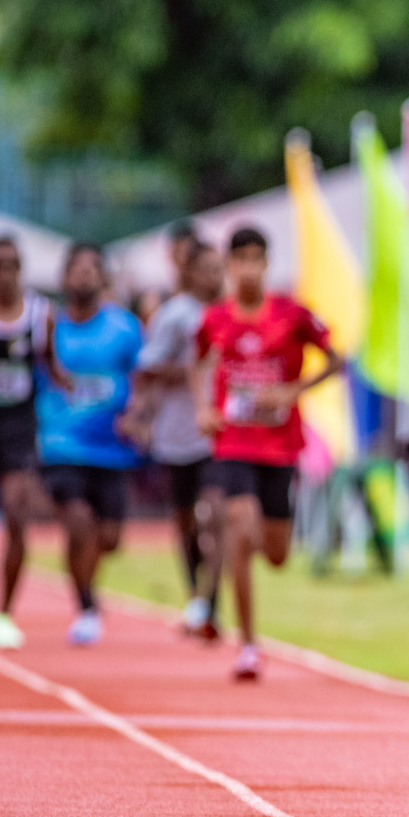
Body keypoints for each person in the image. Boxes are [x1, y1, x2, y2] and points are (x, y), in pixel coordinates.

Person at [194, 228, 343, 680]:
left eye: (256, 259)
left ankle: (261, 541)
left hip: (279, 446)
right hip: (234, 442)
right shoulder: (216, 319)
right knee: (240, 530)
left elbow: (336, 360)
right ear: (228, 266)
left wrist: (292, 391)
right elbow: (196, 363)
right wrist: (203, 408)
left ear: (266, 264)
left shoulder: (291, 314)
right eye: (240, 259)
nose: (248, 268)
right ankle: (249, 646)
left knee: (275, 554)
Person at [37, 243, 144, 646]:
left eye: (91, 269)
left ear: (103, 278)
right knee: (79, 524)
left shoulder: (125, 329)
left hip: (113, 447)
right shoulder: (49, 328)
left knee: (109, 539)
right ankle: (86, 606)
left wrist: (139, 413)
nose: (83, 276)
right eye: (76, 270)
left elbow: (144, 379)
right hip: (60, 443)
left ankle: (86, 582)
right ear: (63, 278)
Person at [128, 241, 226, 640]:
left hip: (219, 433)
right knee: (186, 519)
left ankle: (212, 605)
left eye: (220, 269)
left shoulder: (232, 311)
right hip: (177, 431)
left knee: (216, 516)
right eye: (207, 270)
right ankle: (194, 594)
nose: (215, 278)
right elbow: (147, 369)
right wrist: (189, 370)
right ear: (189, 274)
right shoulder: (174, 316)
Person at [0, 235, 62, 650]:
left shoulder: (39, 315)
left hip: (17, 425)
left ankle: (4, 614)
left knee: (16, 513)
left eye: (12, 265)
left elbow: (50, 364)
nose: (5, 274)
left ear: (21, 269)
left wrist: (68, 386)